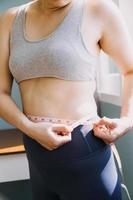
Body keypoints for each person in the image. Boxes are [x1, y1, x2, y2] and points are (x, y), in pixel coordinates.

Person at [0, 0, 133, 199]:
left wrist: (127, 120)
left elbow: (130, 70)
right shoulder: (12, 18)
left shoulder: (98, 9)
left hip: (85, 155)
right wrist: (29, 127)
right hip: (36, 154)